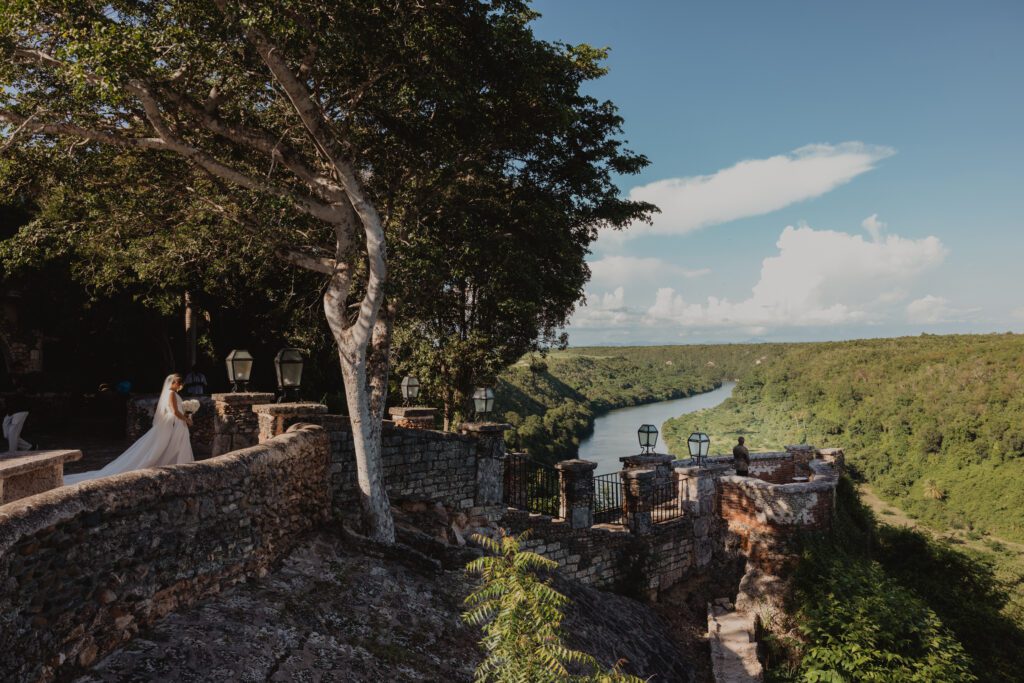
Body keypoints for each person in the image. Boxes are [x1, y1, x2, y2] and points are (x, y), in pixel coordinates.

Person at [64, 374, 194, 484]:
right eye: (178, 382)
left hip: (175, 422)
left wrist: (187, 414)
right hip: (173, 421)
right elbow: (174, 411)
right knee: (162, 444)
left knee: (172, 443)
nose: (180, 385)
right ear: (173, 382)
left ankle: (176, 464)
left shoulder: (171, 393)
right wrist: (186, 419)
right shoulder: (171, 393)